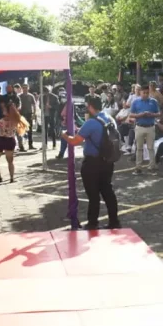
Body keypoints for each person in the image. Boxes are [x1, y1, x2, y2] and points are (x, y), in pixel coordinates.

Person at [61, 97, 122, 230]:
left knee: (93, 194)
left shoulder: (91, 122)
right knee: (107, 191)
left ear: (90, 106)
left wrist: (64, 135)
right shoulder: (109, 119)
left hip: (92, 163)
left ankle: (93, 222)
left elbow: (75, 141)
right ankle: (114, 221)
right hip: (108, 161)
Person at [0, 102, 29, 185]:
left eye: (4, 109)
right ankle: (12, 178)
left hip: (0, 140)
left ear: (7, 111)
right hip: (10, 141)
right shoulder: (16, 120)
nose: (3, 110)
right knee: (10, 161)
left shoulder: (1, 121)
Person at [130, 85, 160, 175]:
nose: (146, 94)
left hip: (150, 126)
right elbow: (131, 114)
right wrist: (140, 115)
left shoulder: (153, 102)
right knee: (139, 148)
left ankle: (152, 166)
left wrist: (151, 114)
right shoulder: (135, 102)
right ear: (140, 92)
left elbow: (159, 113)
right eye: (144, 93)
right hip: (139, 126)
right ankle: (138, 167)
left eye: (147, 93)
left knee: (151, 147)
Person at [19, 84, 37, 151]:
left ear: (28, 88)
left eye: (26, 88)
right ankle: (21, 145)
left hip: (29, 114)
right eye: (23, 88)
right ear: (22, 88)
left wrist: (34, 114)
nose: (25, 89)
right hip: (22, 115)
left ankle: (30, 145)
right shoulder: (19, 96)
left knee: (30, 130)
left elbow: (34, 105)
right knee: (22, 130)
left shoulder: (31, 96)